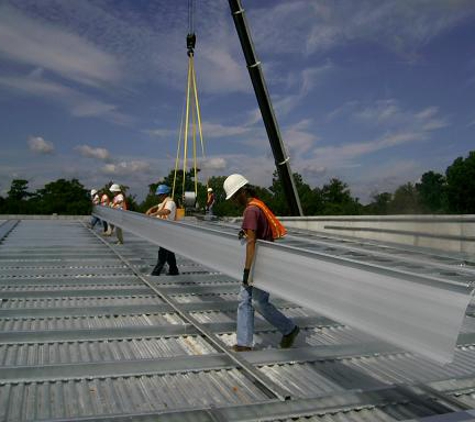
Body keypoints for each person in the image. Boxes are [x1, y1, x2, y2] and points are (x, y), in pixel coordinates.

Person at [223, 173, 300, 351]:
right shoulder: (258, 205)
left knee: (246, 300)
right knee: (258, 302)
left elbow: (252, 243)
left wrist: (247, 271)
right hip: (265, 261)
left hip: (258, 263)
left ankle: (245, 343)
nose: (233, 201)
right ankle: (289, 329)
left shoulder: (250, 210)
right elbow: (256, 234)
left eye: (234, 197)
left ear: (242, 192)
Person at [146, 184, 180, 276]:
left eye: (159, 195)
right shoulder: (166, 202)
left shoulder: (170, 203)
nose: (158, 197)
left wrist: (154, 214)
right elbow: (159, 206)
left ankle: (155, 273)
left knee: (162, 253)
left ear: (164, 194)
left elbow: (167, 211)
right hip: (165, 231)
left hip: (167, 231)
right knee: (169, 253)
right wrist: (151, 209)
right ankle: (174, 271)